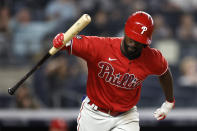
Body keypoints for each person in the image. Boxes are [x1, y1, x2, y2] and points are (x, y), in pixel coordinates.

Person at [52, 11, 175, 131]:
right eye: (131, 39)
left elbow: (164, 73)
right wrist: (63, 40)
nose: (133, 44)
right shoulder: (101, 46)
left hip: (126, 116)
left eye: (139, 41)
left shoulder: (151, 57)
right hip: (94, 114)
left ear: (146, 42)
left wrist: (169, 102)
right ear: (125, 32)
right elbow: (70, 42)